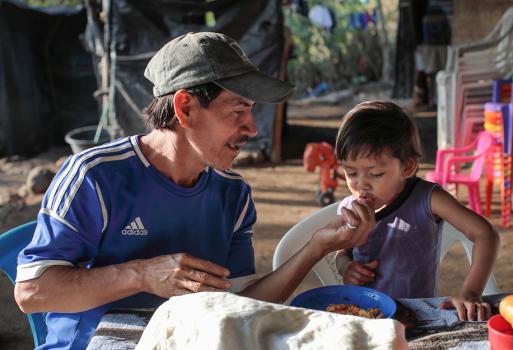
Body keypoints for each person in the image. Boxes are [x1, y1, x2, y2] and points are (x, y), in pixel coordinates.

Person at [14, 32, 375, 349]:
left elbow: (239, 305)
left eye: (252, 111)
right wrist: (141, 275)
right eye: (238, 111)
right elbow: (31, 292)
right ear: (185, 107)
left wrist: (317, 248)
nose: (251, 128)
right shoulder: (95, 177)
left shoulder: (232, 194)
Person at [333, 101, 500, 322]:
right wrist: (347, 267)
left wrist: (471, 291)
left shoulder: (427, 199)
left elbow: (485, 234)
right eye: (351, 173)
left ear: (407, 167)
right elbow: (342, 252)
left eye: (375, 174)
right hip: (366, 317)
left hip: (417, 319)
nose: (361, 185)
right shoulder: (348, 208)